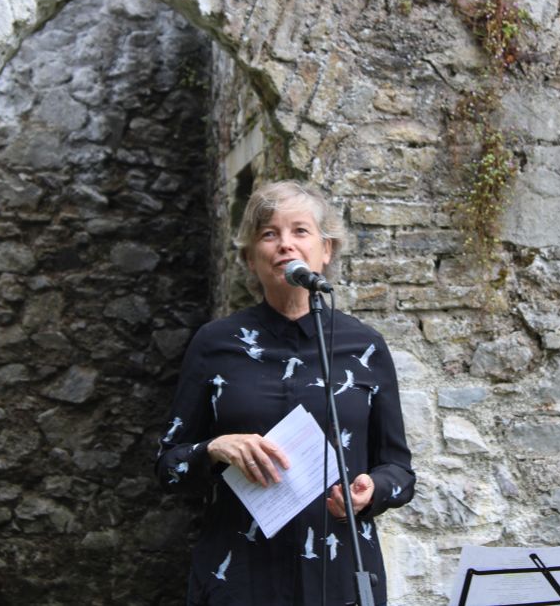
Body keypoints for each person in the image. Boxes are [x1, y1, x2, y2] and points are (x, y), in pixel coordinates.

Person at [155, 180, 415, 605]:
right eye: (269, 233)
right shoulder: (215, 342)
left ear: (326, 251)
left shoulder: (364, 346)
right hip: (240, 575)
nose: (285, 245)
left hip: (341, 576)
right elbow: (168, 467)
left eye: (300, 231)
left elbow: (400, 472)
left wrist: (373, 489)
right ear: (250, 258)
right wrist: (215, 448)